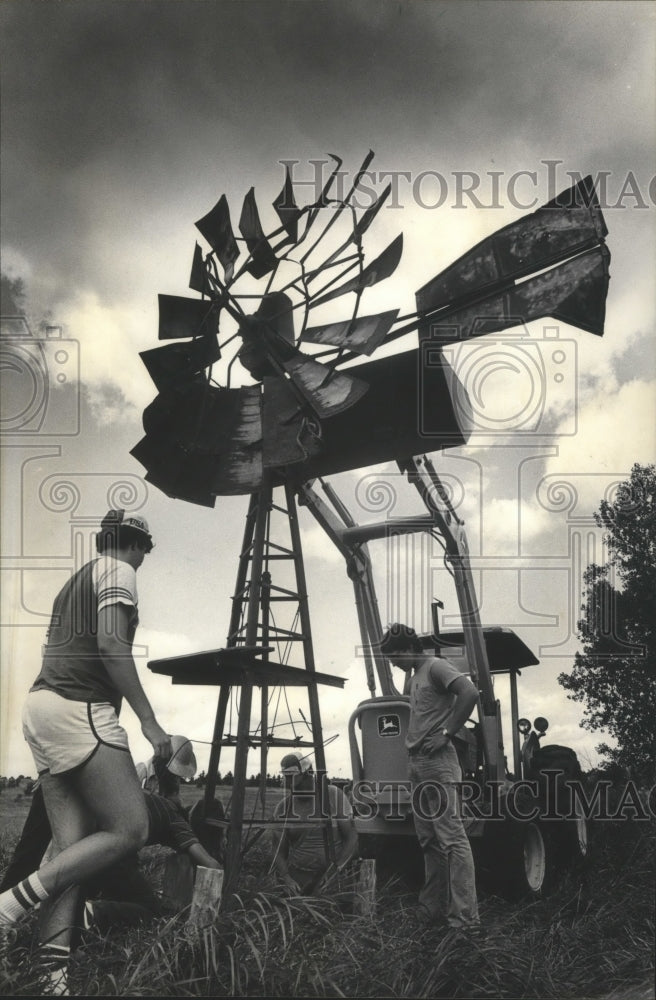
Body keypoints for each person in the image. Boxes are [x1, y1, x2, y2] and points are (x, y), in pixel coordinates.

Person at [0, 509, 170, 994]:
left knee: (71, 855)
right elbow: (112, 647)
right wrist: (149, 720)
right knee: (130, 828)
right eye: (147, 550)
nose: (144, 559)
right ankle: (9, 905)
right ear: (136, 544)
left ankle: (52, 977)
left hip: (42, 706)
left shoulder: (77, 580)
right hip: (81, 706)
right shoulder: (121, 572)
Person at [0, 739, 222, 936]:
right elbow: (209, 863)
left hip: (65, 786)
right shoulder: (177, 819)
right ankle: (85, 915)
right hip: (110, 847)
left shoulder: (141, 784)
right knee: (149, 908)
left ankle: (14, 908)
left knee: (29, 856)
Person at [380, 623, 480, 931]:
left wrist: (448, 732)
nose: (393, 663)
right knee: (428, 841)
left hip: (438, 763)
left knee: (452, 839)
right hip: (417, 765)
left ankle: (464, 920)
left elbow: (470, 692)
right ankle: (432, 907)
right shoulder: (414, 677)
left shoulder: (437, 667)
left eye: (395, 657)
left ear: (410, 649)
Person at [271, 753, 358, 895]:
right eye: (286, 777)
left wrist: (336, 872)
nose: (288, 782)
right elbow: (278, 851)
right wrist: (287, 878)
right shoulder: (284, 807)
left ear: (308, 773)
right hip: (299, 880)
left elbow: (352, 837)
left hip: (333, 879)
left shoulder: (333, 795)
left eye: (292, 777)